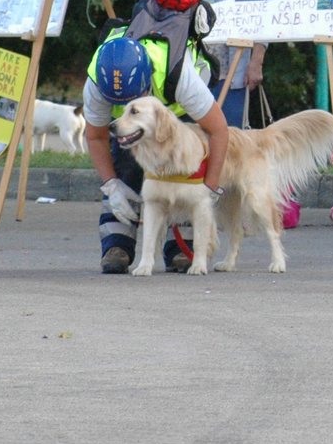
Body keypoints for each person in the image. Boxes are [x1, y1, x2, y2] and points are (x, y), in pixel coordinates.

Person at [82, 23, 228, 275]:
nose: (124, 106)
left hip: (183, 119)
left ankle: (181, 248)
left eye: (132, 101)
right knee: (125, 166)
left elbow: (218, 130)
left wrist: (210, 185)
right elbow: (96, 137)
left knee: (185, 176)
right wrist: (111, 185)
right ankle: (117, 246)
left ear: (146, 83)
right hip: (138, 127)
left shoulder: (179, 74)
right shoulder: (97, 83)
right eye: (119, 103)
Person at [210, 41, 266, 127]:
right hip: (191, 77)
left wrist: (257, 60)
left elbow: (262, 28)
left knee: (231, 135)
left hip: (230, 78)